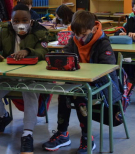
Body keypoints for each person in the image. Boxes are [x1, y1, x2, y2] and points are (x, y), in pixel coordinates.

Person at [42, 11, 122, 153]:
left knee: (79, 96)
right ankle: (62, 133)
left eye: (83, 35)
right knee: (63, 93)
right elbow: (67, 56)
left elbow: (106, 70)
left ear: (93, 29)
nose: (79, 38)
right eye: (76, 34)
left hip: (102, 85)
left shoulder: (103, 43)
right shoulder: (74, 39)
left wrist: (82, 73)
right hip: (80, 82)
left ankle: (87, 137)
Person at [0, 4, 49, 154]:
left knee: (29, 92)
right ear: (11, 21)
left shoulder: (40, 32)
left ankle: (27, 134)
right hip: (10, 75)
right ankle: (3, 116)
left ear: (31, 21)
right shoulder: (5, 31)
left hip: (31, 76)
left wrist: (27, 51)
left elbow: (44, 51)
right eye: (16, 20)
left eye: (24, 20)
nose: (20, 23)